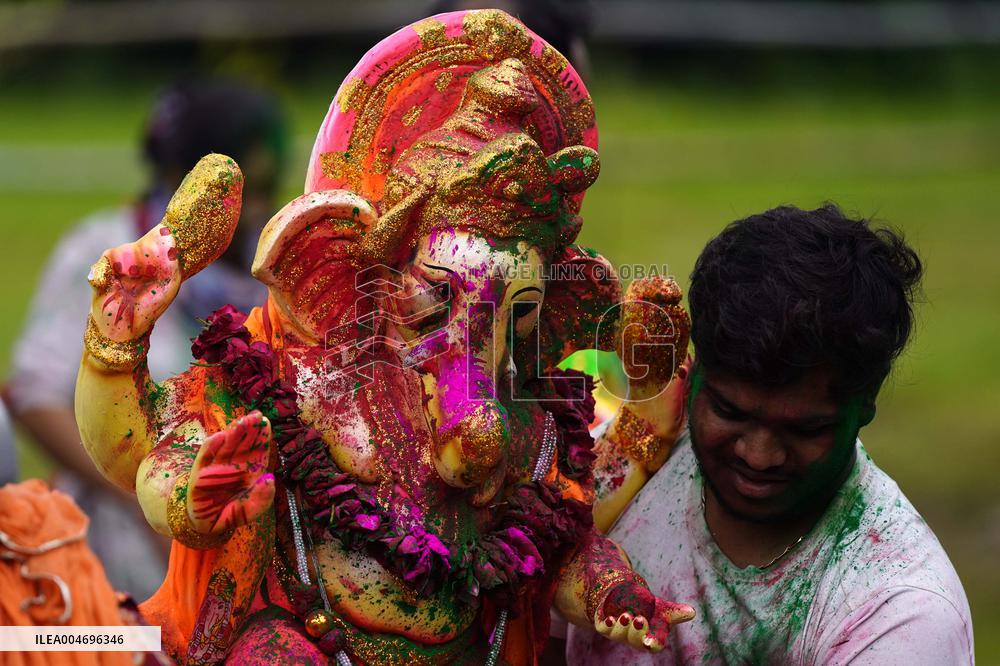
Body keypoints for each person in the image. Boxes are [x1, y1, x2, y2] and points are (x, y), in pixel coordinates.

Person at [566, 204, 974, 663]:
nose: (758, 456)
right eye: (729, 411)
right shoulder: (625, 458)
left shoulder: (899, 614)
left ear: (865, 403)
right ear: (694, 372)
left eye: (804, 429)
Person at [3, 79, 287, 600]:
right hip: (118, 558)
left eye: (266, 184)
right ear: (182, 176)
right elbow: (34, 395)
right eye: (249, 187)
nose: (258, 204)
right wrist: (144, 498)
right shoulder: (112, 254)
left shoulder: (271, 264)